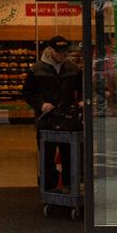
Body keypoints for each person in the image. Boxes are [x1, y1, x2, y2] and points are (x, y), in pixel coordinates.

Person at [22, 35, 83, 193]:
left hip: (68, 120)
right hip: (46, 120)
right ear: (50, 50)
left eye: (64, 51)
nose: (62, 54)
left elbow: (82, 89)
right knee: (47, 158)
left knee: (69, 156)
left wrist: (81, 102)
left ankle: (70, 188)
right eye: (58, 51)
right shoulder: (36, 69)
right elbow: (27, 93)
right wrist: (41, 104)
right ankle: (49, 189)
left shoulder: (73, 68)